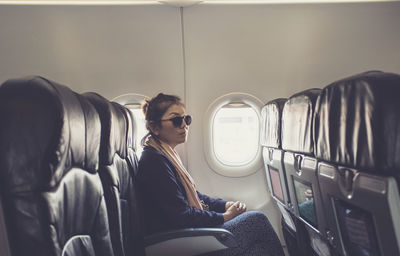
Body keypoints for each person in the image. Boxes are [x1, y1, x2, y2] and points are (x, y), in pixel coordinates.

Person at [137, 93, 284, 256]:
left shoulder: (165, 154)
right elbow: (181, 216)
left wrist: (224, 205)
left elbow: (193, 197)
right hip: (177, 241)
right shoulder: (154, 162)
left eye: (187, 119)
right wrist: (224, 217)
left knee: (257, 249)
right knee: (257, 221)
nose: (184, 125)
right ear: (154, 127)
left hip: (184, 235)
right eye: (176, 120)